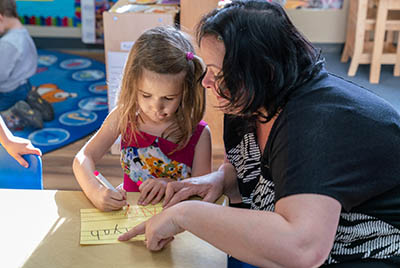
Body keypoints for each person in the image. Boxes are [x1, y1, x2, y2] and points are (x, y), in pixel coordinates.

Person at [118, 1, 400, 267]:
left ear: (261, 71)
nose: (205, 82)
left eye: (217, 73)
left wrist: (185, 215)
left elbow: (303, 248)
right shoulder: (246, 102)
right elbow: (250, 168)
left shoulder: (315, 124)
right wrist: (219, 179)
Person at [73, 26, 212, 212]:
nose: (156, 107)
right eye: (146, 95)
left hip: (177, 223)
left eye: (169, 98)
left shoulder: (200, 135)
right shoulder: (124, 116)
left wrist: (169, 185)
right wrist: (96, 192)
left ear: (185, 92)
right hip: (129, 218)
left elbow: (202, 194)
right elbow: (83, 158)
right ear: (132, 85)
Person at [0, 0, 53, 131]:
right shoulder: (21, 32)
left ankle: (16, 113)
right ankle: (31, 102)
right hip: (25, 85)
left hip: (9, 91)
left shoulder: (8, 43)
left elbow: (1, 75)